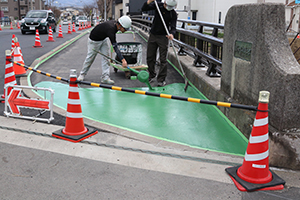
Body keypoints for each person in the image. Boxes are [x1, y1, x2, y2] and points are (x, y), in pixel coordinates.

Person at [78, 16, 132, 84]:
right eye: (125, 29)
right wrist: (123, 60)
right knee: (90, 58)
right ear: (120, 26)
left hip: (103, 39)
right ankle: (82, 75)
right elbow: (115, 46)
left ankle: (105, 77)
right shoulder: (111, 29)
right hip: (94, 40)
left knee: (106, 57)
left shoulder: (115, 25)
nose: (126, 31)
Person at [142, 0, 177, 87]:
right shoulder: (158, 6)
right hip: (153, 34)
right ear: (165, 3)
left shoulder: (173, 14)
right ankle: (151, 74)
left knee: (163, 59)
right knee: (150, 57)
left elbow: (173, 27)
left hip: (164, 37)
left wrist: (172, 34)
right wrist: (149, 1)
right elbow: (144, 9)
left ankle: (161, 79)